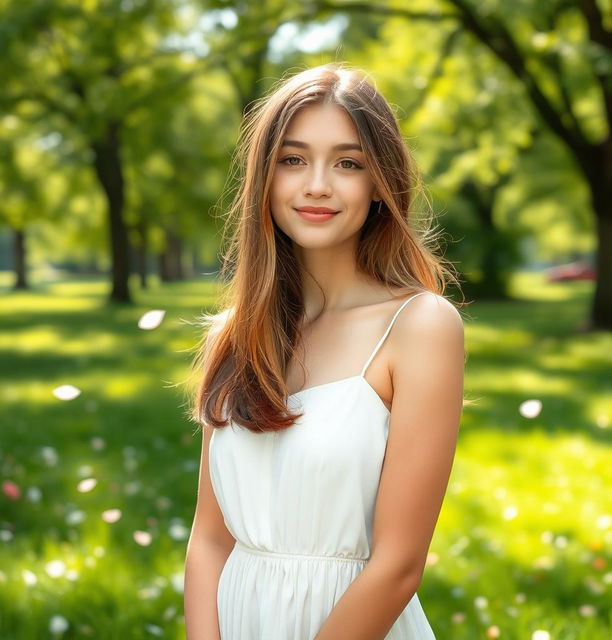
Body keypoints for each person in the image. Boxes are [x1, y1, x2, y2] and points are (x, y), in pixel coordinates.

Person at [183, 62, 467, 640]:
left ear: (380, 183)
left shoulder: (420, 327)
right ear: (265, 177)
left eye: (348, 163)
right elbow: (210, 539)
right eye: (292, 159)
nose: (317, 184)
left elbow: (398, 566)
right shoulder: (235, 337)